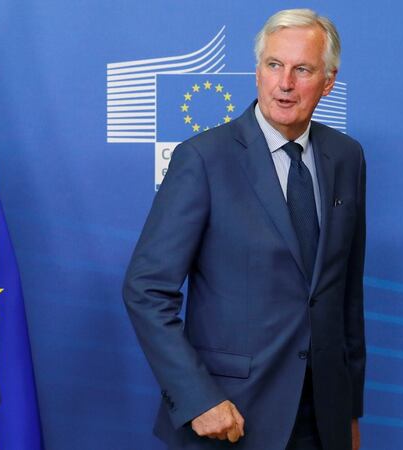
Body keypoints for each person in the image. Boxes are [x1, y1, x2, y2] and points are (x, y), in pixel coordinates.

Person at [123, 9, 365, 450]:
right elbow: (146, 289)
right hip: (233, 417)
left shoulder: (346, 158)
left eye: (303, 70)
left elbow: (345, 294)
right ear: (257, 72)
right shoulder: (203, 158)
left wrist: (349, 412)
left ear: (328, 82)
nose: (285, 83)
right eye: (274, 65)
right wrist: (198, 400)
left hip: (322, 420)